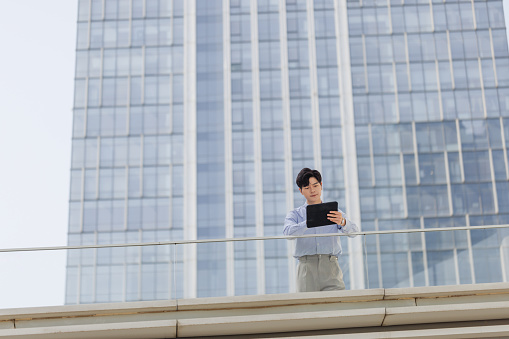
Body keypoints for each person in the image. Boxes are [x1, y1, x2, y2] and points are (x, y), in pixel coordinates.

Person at [283, 168, 359, 292]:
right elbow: (287, 233)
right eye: (307, 187)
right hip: (306, 268)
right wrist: (308, 223)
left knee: (338, 305)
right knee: (308, 307)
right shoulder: (295, 215)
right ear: (301, 191)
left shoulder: (334, 212)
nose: (312, 190)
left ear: (321, 186)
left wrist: (343, 222)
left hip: (331, 266)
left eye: (315, 185)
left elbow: (355, 232)